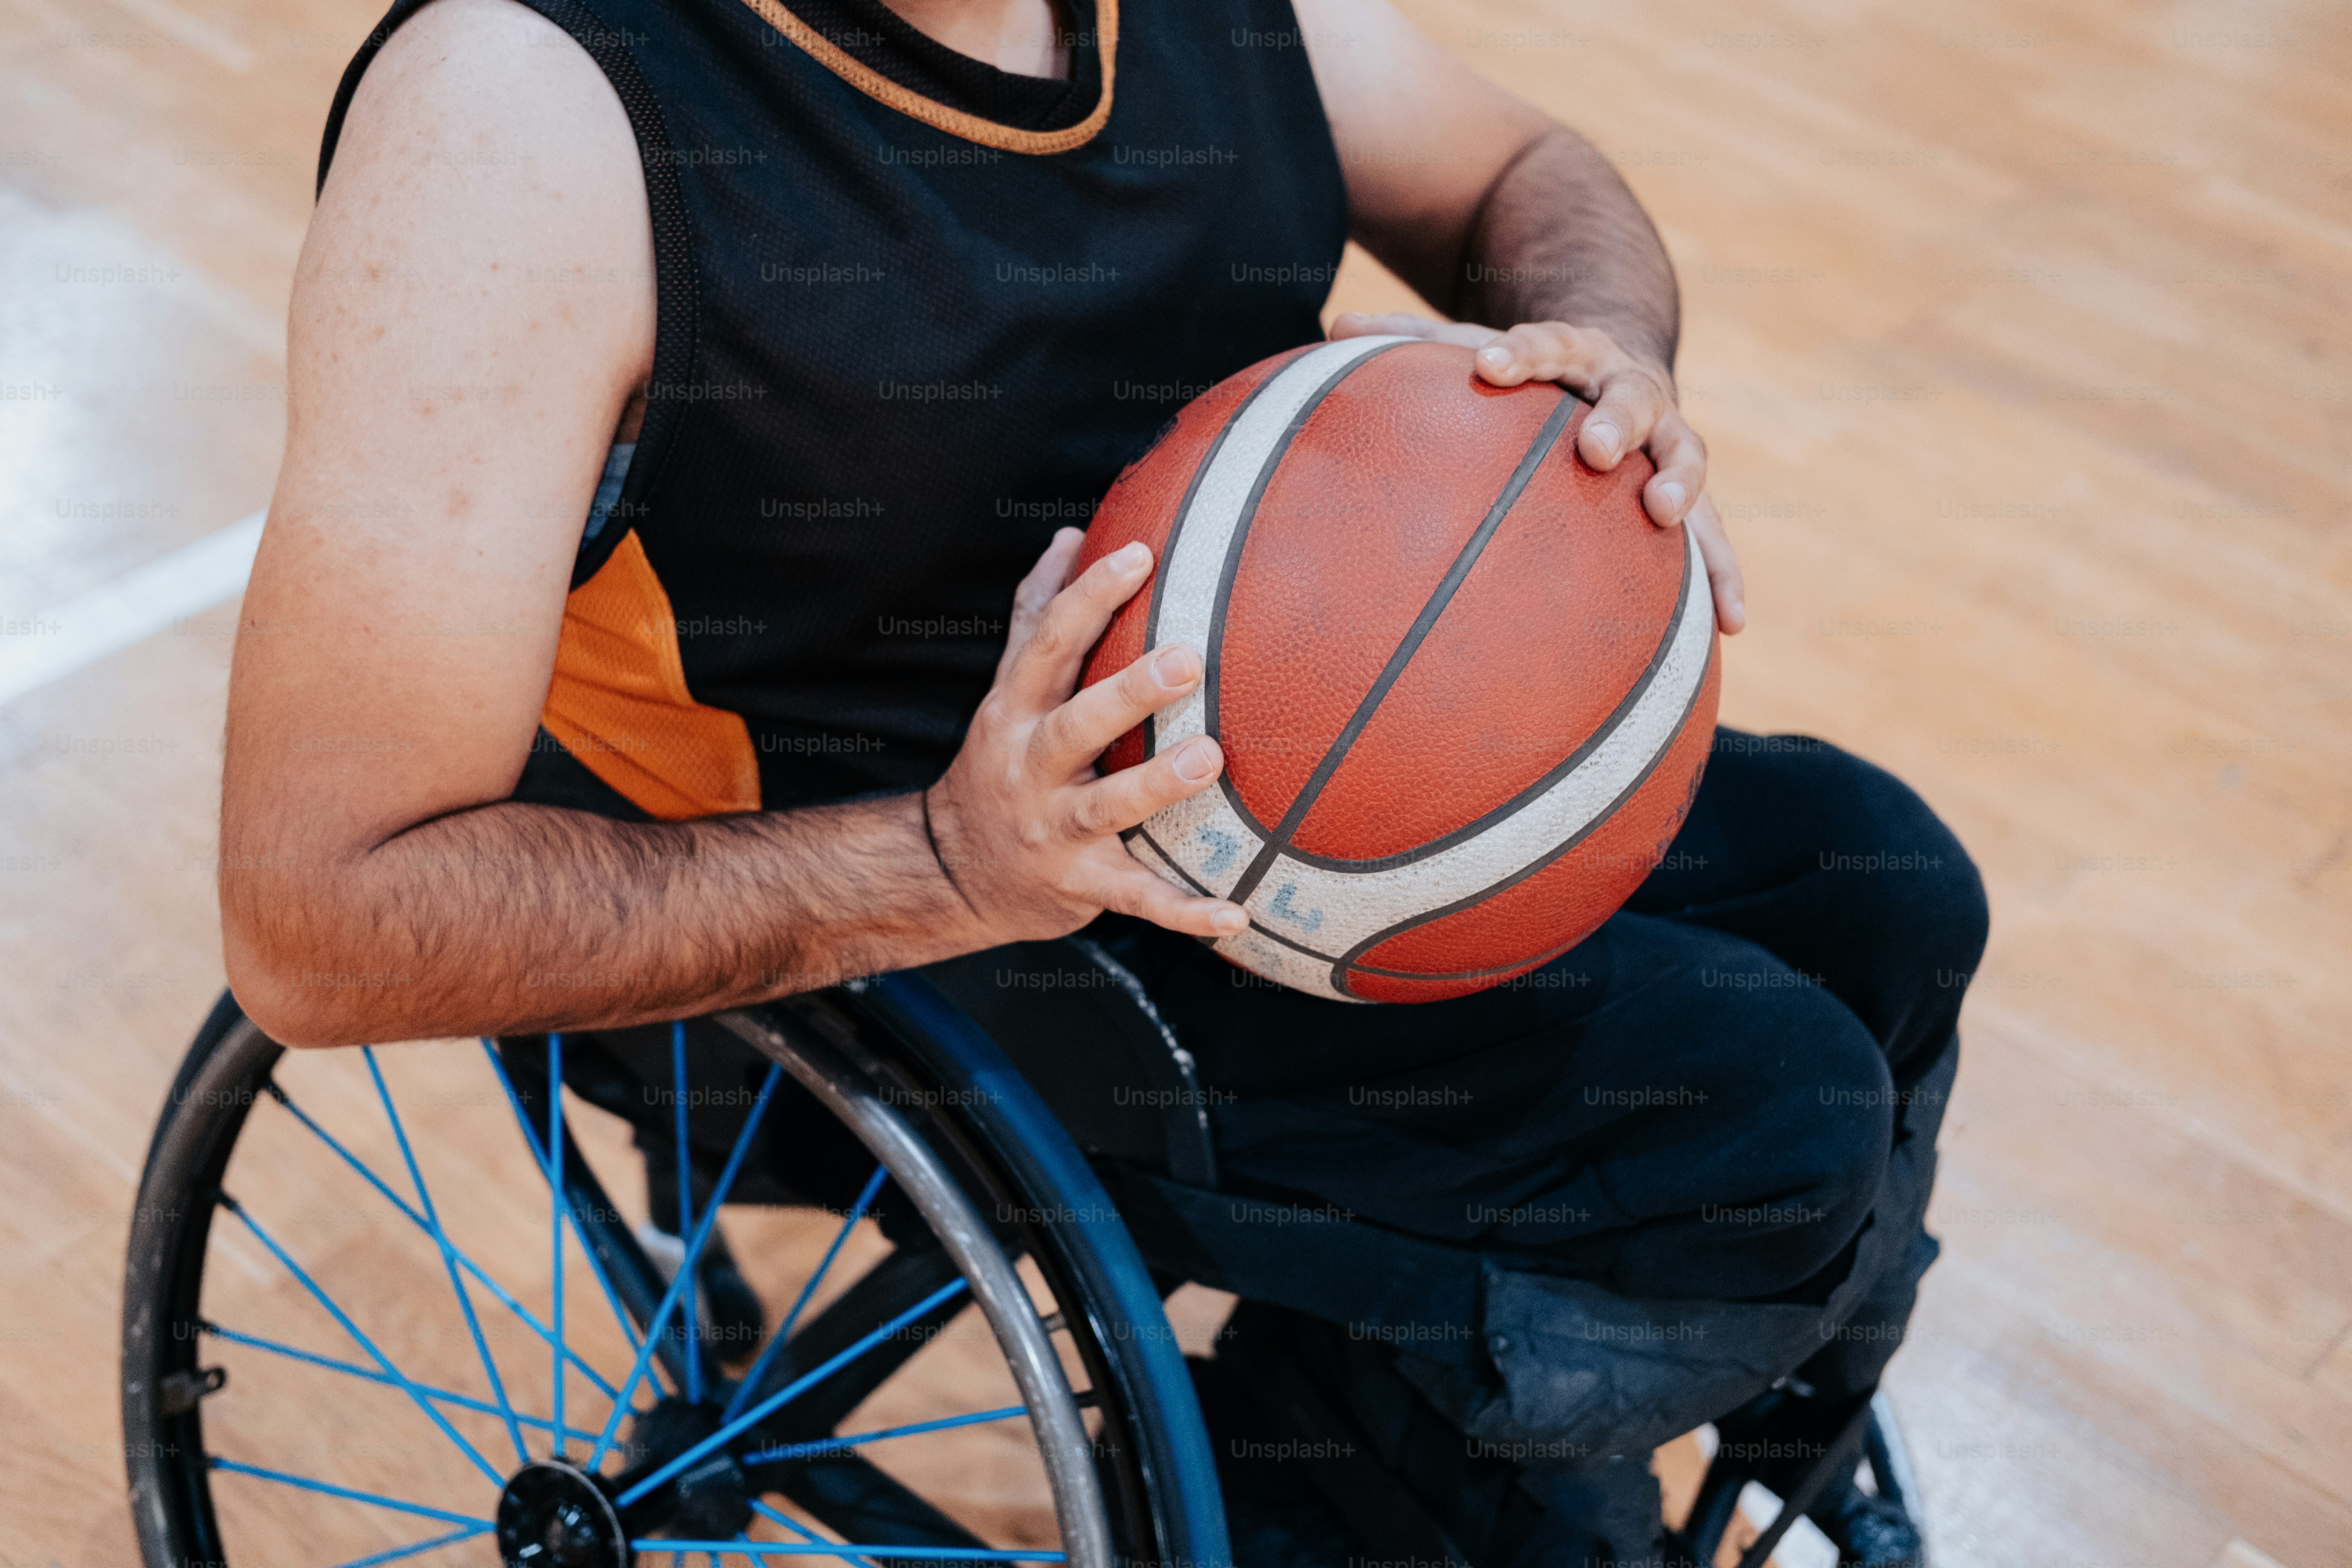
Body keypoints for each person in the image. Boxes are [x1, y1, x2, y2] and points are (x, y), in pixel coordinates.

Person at [219, 0, 1984, 1557]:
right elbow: (322, 908)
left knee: (1888, 890)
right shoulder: (521, 117)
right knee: (1762, 1125)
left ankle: (1675, 1453)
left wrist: (1605, 349)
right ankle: (1343, 1498)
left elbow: (1519, 166)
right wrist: (950, 856)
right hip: (854, 939)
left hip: (1255, 789)